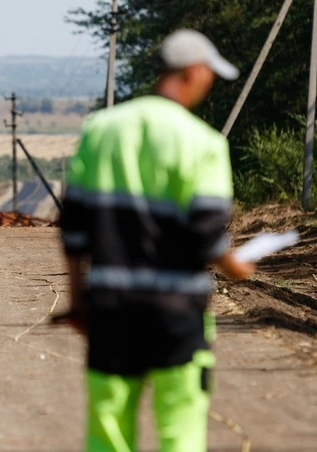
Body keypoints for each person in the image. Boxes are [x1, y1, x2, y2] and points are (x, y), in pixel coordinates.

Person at [57, 29, 255, 452]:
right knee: (180, 432)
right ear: (194, 72)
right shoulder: (204, 142)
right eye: (209, 75)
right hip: (177, 313)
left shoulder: (101, 129)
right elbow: (206, 236)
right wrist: (235, 266)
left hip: (112, 309)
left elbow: (74, 229)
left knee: (108, 432)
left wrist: (77, 303)